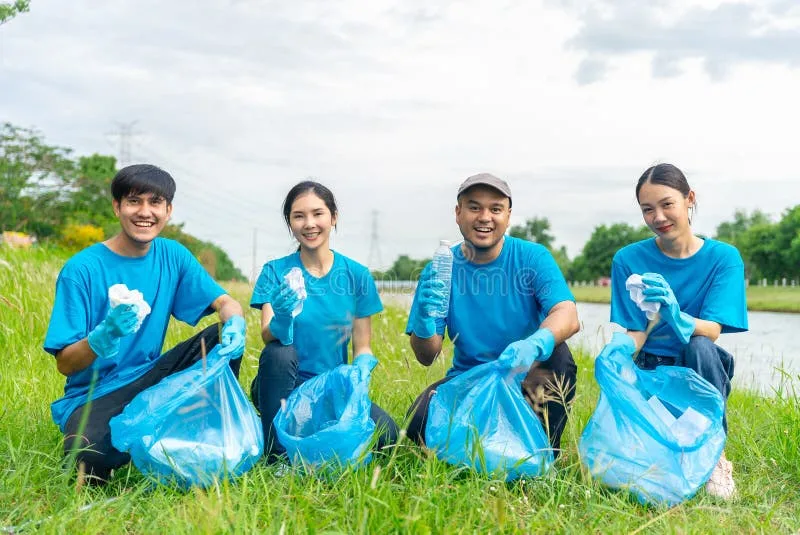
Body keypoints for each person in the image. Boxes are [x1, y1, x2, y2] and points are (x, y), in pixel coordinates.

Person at [43, 164, 247, 484]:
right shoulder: (81, 270)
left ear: (168, 210)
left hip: (150, 379)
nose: (145, 212)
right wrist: (101, 337)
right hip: (96, 394)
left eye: (155, 202)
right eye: (134, 201)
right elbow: (66, 364)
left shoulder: (172, 255)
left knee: (221, 338)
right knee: (86, 457)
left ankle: (197, 436)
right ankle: (140, 440)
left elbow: (225, 302)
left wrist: (235, 321)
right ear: (117, 207)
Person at [405, 173, 580, 457]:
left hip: (523, 375)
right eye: (474, 207)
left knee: (559, 357)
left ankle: (542, 453)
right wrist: (424, 321)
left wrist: (535, 343)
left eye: (495, 209)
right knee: (417, 423)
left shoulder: (532, 257)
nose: (485, 217)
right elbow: (426, 357)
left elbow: (568, 314)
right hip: (468, 379)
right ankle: (480, 445)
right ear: (458, 213)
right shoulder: (441, 268)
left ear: (508, 216)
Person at [608, 163, 747, 499]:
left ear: (689, 199)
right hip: (651, 367)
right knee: (640, 469)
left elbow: (712, 330)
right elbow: (636, 331)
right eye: (647, 209)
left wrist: (675, 313)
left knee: (699, 343)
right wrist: (617, 353)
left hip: (698, 366)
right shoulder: (628, 259)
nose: (658, 217)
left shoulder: (723, 258)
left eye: (667, 204)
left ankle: (715, 457)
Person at [250, 181, 399, 460]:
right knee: (279, 352)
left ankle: (314, 431)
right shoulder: (275, 271)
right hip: (284, 386)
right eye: (299, 216)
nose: (309, 224)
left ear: (333, 217)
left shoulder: (356, 275)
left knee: (388, 436)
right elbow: (269, 335)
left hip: (331, 389)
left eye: (318, 214)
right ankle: (276, 454)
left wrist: (362, 371)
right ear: (290, 223)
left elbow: (363, 346)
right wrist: (283, 317)